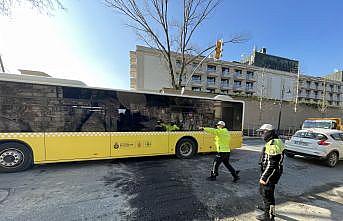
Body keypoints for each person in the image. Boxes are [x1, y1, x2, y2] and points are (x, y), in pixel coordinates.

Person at [256, 124, 285, 221]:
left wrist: (264, 177)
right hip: (268, 171)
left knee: (267, 194)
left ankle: (268, 216)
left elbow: (273, 164)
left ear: (268, 132)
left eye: (262, 132)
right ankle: (267, 208)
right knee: (263, 191)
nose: (261, 135)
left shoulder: (274, 143)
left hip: (271, 173)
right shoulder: (272, 141)